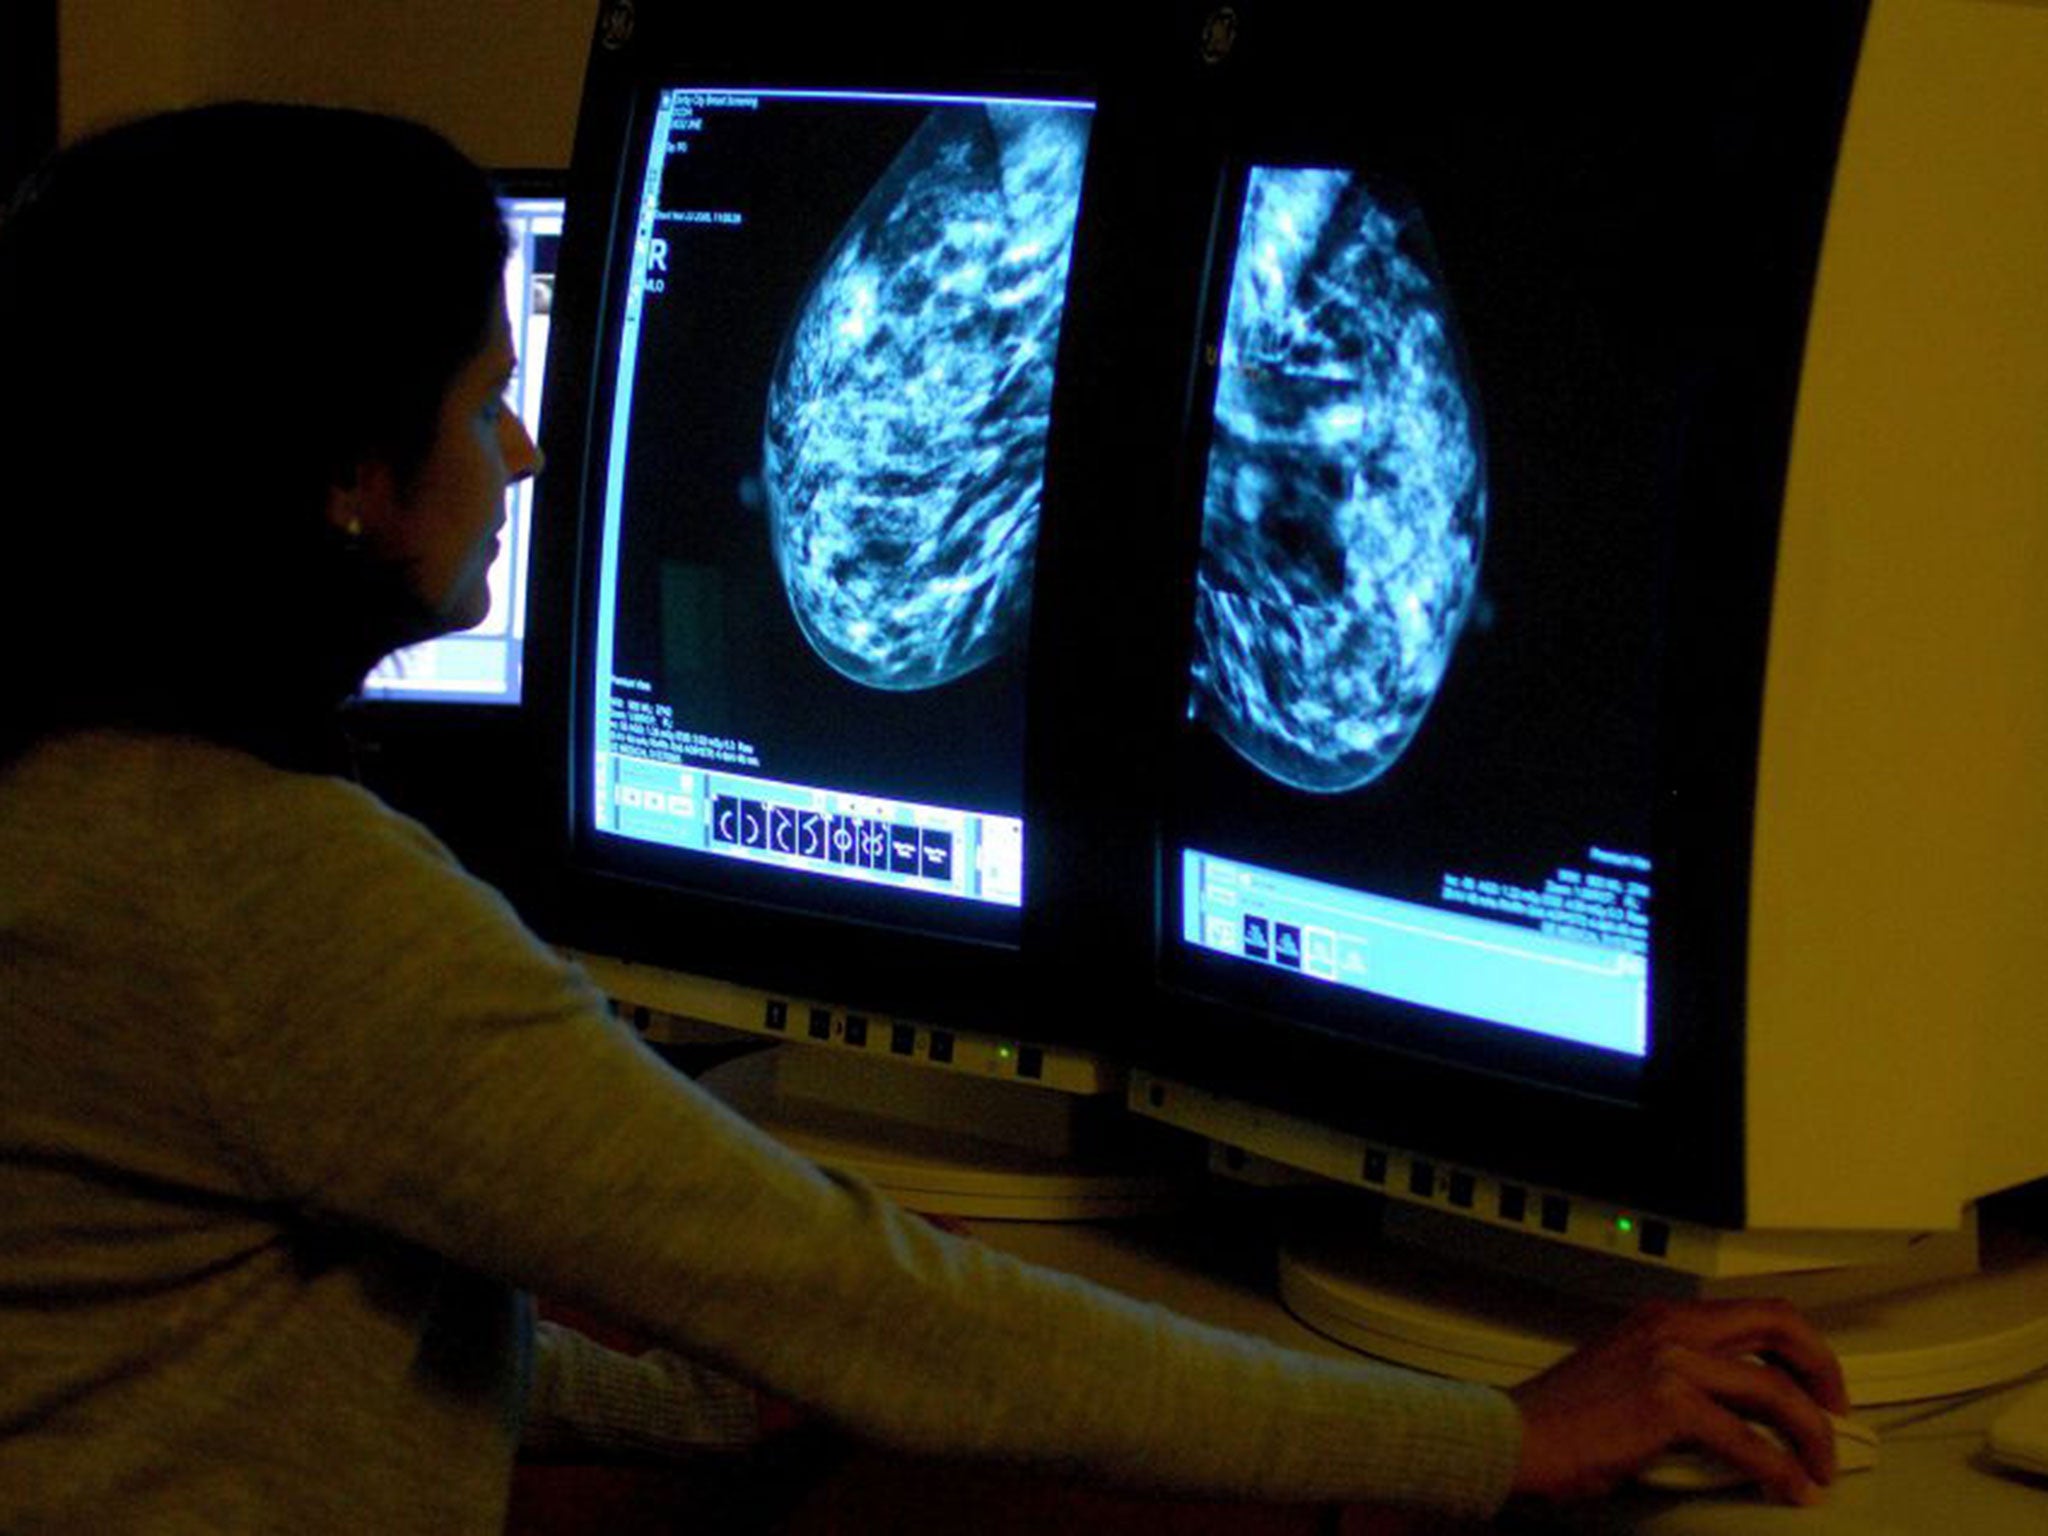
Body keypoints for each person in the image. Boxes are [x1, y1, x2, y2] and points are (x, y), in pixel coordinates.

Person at [0, 103, 1849, 1534]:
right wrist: (1512, 1436)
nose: (534, 454)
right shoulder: (264, 904)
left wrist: (713, 1408)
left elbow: (257, 1331)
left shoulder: (79, 808)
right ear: (339, 479)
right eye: (489, 402)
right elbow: (877, 1310)